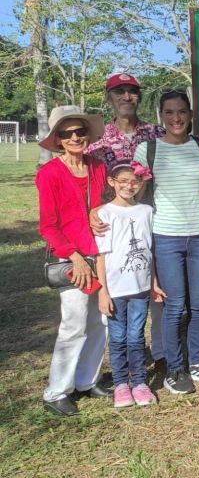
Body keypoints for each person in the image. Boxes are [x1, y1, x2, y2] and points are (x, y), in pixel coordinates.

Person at [135, 90, 199, 393]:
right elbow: (133, 191)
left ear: (190, 114)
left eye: (182, 111)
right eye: (169, 112)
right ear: (161, 116)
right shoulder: (147, 149)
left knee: (198, 304)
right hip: (166, 237)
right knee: (175, 306)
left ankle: (195, 363)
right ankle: (174, 368)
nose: (176, 118)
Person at [86, 72, 167, 371]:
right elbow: (91, 182)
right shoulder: (99, 142)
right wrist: (93, 211)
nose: (126, 97)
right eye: (119, 91)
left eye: (132, 91)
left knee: (156, 288)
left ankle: (160, 352)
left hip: (154, 218)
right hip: (116, 225)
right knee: (121, 288)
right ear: (109, 97)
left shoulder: (157, 134)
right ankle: (126, 357)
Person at [36, 106, 110, 416]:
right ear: (57, 140)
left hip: (101, 253)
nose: (75, 137)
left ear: (88, 134)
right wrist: (75, 256)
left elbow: (106, 203)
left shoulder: (98, 167)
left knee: (101, 321)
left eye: (80, 131)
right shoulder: (49, 173)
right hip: (71, 257)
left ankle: (86, 380)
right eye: (66, 134)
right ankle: (56, 391)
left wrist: (98, 211)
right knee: (74, 323)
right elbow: (48, 225)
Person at [95, 160, 163, 408]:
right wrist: (103, 291)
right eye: (123, 181)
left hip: (140, 289)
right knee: (118, 338)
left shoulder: (146, 211)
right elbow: (101, 256)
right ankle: (121, 383)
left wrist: (153, 283)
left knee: (136, 336)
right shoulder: (104, 213)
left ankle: (140, 382)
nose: (129, 186)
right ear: (112, 182)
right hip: (115, 289)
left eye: (134, 181)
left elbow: (149, 251)